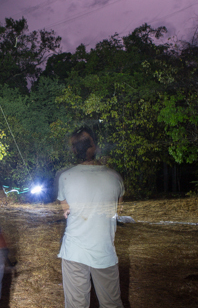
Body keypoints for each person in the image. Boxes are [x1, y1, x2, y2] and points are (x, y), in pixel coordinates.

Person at [57, 127, 124, 308]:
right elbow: (118, 211)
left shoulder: (65, 177)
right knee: (112, 304)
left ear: (73, 150)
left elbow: (66, 211)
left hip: (74, 253)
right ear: (94, 147)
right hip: (105, 251)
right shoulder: (115, 178)